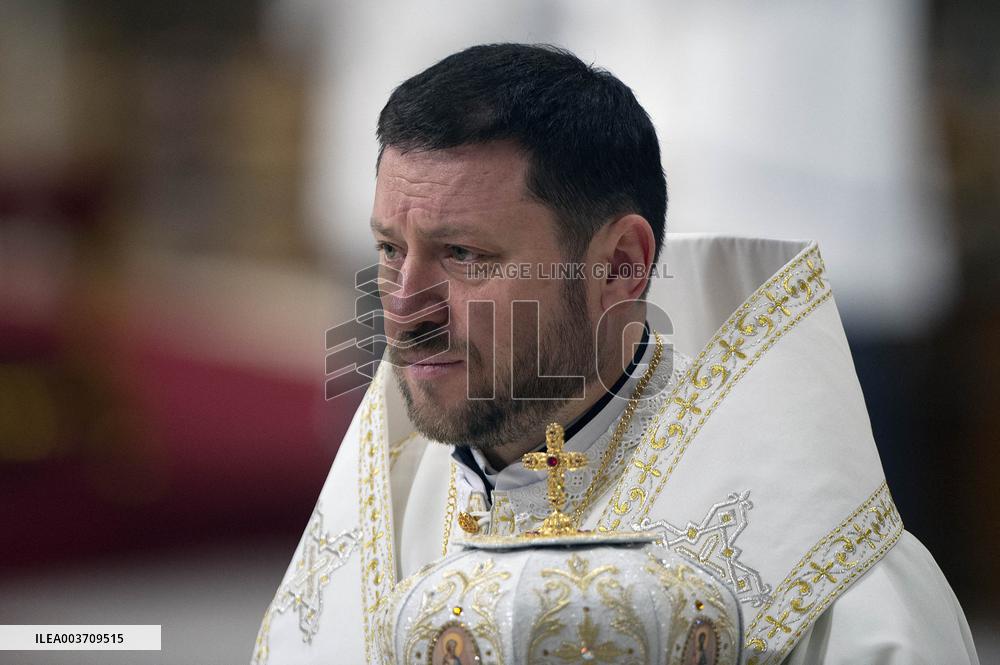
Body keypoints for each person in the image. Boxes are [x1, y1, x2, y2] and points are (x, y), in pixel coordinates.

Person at [251, 43, 979, 665]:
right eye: (388, 249)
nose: (404, 307)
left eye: (464, 254)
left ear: (620, 266)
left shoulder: (830, 580)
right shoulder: (386, 507)